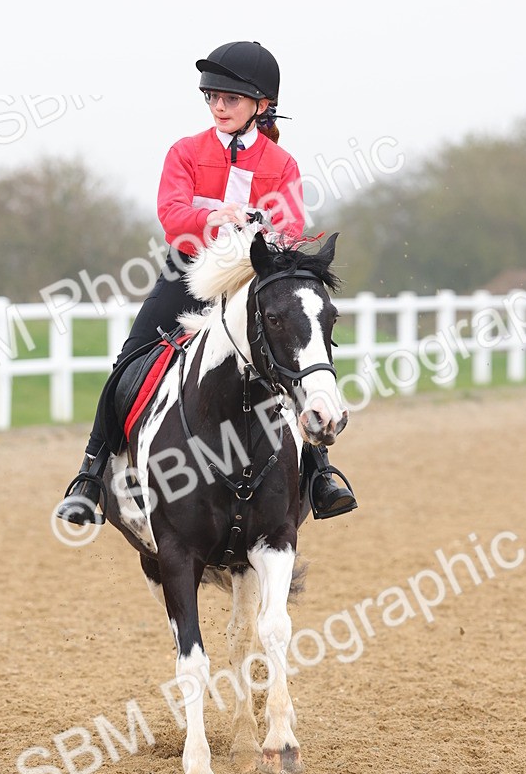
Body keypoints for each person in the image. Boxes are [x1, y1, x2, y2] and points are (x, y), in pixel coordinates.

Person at [56, 40, 356, 525]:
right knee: (127, 361)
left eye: (230, 98)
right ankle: (90, 475)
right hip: (188, 273)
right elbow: (171, 216)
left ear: (261, 106)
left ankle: (319, 470)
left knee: (292, 365)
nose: (218, 106)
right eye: (212, 97)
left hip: (250, 278)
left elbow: (292, 227)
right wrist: (218, 215)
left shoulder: (283, 165)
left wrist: (258, 228)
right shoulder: (186, 151)